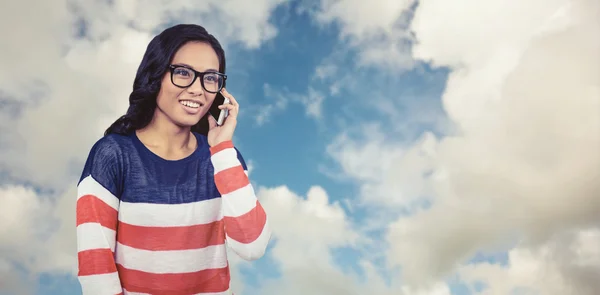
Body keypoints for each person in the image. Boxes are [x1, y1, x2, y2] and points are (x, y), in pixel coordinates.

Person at [75, 24, 271, 295]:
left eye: (210, 78)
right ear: (155, 76)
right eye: (183, 73)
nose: (198, 89)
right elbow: (96, 270)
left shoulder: (224, 158)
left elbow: (252, 246)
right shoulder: (112, 156)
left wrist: (223, 148)